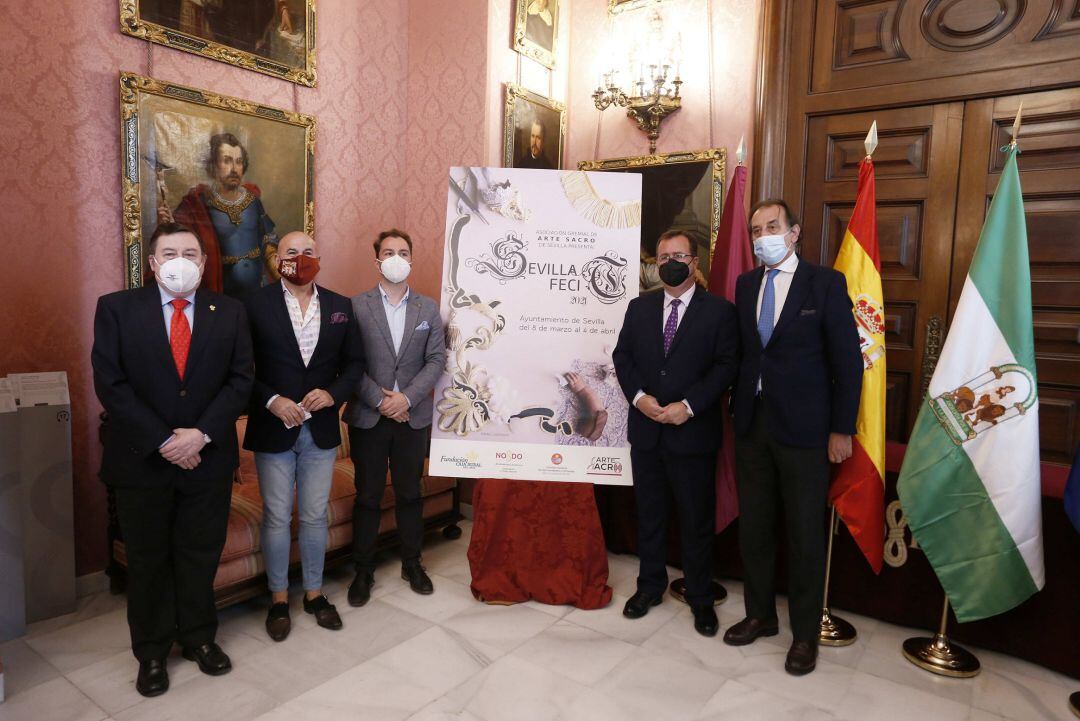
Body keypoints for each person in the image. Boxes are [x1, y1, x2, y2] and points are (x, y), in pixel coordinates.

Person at [92, 222, 253, 697]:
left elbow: (240, 381)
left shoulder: (230, 312)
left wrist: (200, 435)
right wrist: (166, 440)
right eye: (170, 252)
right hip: (142, 460)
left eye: (191, 252)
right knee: (148, 561)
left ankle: (200, 638)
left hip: (208, 460)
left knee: (199, 555)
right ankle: (153, 652)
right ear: (154, 262)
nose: (181, 260)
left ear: (203, 264)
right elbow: (111, 384)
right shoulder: (117, 309)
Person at [724, 199, 862, 675]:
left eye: (772, 226)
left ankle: (805, 634)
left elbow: (847, 362)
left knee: (804, 535)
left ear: (794, 231)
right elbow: (745, 354)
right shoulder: (745, 286)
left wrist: (842, 428)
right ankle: (759, 615)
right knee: (756, 529)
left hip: (806, 432)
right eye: (756, 228)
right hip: (752, 426)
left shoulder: (824, 284)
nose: (763, 234)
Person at [612, 229, 738, 637]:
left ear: (695, 262)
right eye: (662, 256)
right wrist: (638, 398)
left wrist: (688, 406)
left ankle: (700, 598)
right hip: (646, 432)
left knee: (695, 520)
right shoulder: (639, 307)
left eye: (678, 255)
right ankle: (649, 587)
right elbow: (623, 356)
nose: (669, 262)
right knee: (649, 515)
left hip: (692, 434)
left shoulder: (719, 311)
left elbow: (726, 366)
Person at [242, 231, 365, 641]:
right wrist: (272, 399)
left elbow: (353, 364)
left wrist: (332, 394)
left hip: (321, 429)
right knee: (277, 516)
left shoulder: (340, 307)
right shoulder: (253, 304)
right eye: (291, 251)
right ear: (279, 259)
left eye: (308, 251)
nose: (300, 257)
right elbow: (241, 369)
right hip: (273, 426)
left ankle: (314, 593)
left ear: (319, 258)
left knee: (313, 516)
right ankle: (279, 599)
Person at [344, 229, 446, 605]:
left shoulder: (428, 309)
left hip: (411, 417)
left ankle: (412, 563)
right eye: (389, 252)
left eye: (403, 251)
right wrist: (380, 400)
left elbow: (437, 360)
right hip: (369, 418)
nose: (396, 257)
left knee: (409, 493)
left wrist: (406, 399)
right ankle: (363, 570)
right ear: (377, 260)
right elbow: (349, 363)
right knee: (368, 496)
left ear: (411, 259)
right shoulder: (355, 306)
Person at [160, 132, 279, 301]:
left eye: (238, 162)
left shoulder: (253, 201)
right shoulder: (199, 203)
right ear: (214, 165)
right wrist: (167, 224)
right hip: (219, 295)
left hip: (258, 292)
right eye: (227, 160)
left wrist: (275, 265)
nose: (234, 169)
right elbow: (181, 240)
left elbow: (269, 237)